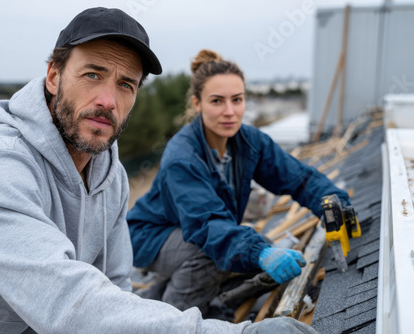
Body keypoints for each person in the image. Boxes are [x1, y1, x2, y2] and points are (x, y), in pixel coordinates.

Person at [0, 7, 318, 334]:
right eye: (92, 74)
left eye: (127, 84)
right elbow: (67, 302)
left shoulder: (110, 175)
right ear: (53, 76)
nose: (108, 99)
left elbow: (114, 289)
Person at [127, 49, 352, 315]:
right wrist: (261, 252)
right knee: (212, 256)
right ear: (197, 103)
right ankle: (170, 320)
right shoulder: (183, 157)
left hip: (193, 233)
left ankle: (156, 298)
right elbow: (208, 226)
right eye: (217, 101)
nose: (230, 112)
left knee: (258, 251)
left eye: (237, 99)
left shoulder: (247, 141)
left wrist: (333, 201)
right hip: (154, 235)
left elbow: (299, 179)